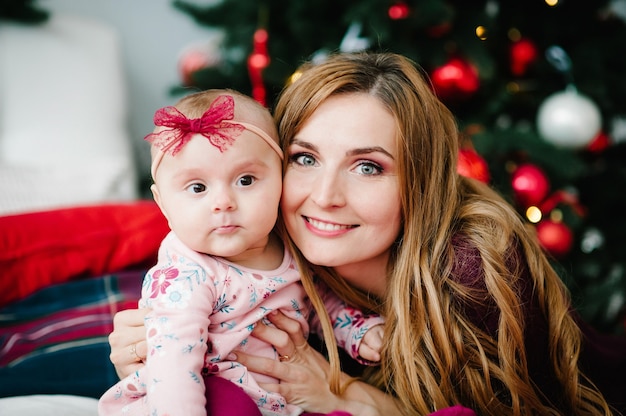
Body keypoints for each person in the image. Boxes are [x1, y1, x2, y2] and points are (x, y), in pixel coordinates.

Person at [108, 53, 626, 415]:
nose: (326, 195)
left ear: (418, 180)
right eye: (305, 159)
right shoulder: (264, 242)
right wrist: (152, 349)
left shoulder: (471, 271)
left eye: (369, 167)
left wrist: (342, 394)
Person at [98, 89, 385, 416]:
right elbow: (174, 363)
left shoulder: (289, 244)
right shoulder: (186, 274)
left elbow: (319, 300)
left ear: (280, 179)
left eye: (246, 180)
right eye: (198, 188)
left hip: (281, 396)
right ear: (162, 203)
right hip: (205, 392)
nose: (223, 202)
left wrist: (358, 330)